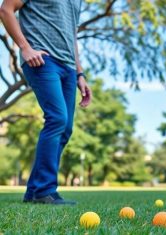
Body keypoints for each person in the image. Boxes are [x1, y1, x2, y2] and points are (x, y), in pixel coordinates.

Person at [0, 0, 91, 204]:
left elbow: (72, 36)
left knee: (65, 128)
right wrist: (25, 48)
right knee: (57, 119)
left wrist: (80, 73)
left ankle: (34, 191)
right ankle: (45, 191)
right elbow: (6, 9)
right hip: (42, 60)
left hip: (68, 67)